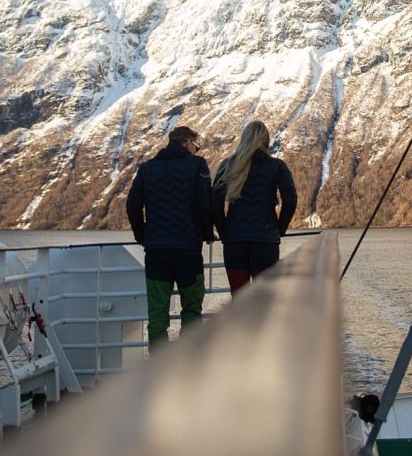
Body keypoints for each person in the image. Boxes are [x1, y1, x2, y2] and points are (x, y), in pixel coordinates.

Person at [125, 125, 214, 346]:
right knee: (192, 310)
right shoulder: (197, 165)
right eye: (196, 145)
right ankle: (187, 366)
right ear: (186, 143)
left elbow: (132, 206)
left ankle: (157, 370)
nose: (197, 149)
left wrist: (143, 235)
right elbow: (205, 204)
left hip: (156, 252)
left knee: (157, 315)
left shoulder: (147, 168)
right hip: (188, 251)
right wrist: (207, 232)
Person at [211, 120, 298, 295]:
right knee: (264, 304)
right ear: (266, 141)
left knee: (239, 302)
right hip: (265, 242)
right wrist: (279, 229)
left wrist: (224, 231)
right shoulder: (276, 166)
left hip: (235, 242)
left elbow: (214, 201)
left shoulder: (228, 165)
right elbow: (290, 199)